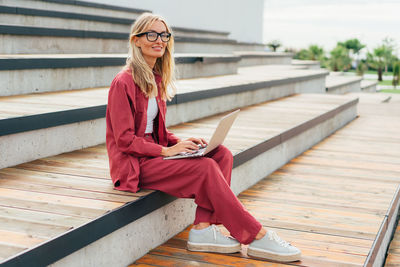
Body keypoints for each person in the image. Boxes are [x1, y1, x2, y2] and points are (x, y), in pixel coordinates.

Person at [106, 12, 301, 263]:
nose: (160, 40)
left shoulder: (155, 79)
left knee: (220, 154)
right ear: (137, 40)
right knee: (206, 167)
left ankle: (202, 228)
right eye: (152, 34)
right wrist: (167, 151)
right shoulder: (122, 82)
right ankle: (255, 234)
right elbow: (124, 140)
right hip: (133, 165)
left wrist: (180, 142)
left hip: (153, 155)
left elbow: (158, 132)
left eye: (164, 35)